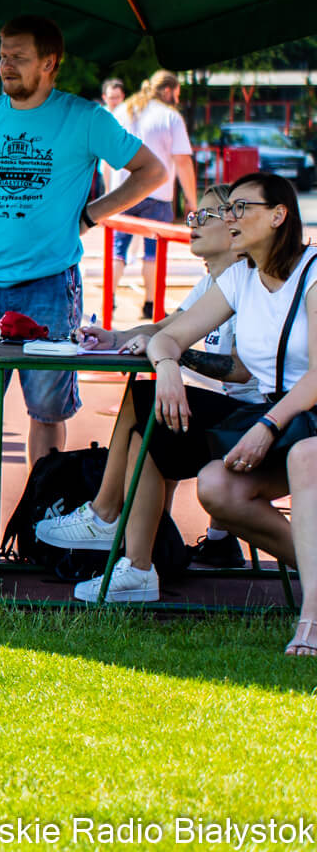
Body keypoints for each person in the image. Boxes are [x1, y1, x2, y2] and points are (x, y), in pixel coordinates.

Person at [0, 15, 166, 468]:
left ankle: (40, 516)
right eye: (2, 55)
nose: (5, 65)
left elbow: (154, 171)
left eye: (19, 57)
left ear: (50, 63)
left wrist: (91, 215)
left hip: (51, 286)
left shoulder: (85, 118)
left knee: (47, 411)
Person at [100, 175, 315, 646]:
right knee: (214, 484)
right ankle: (111, 527)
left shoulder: (313, 272)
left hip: (301, 418)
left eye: (241, 208)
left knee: (304, 457)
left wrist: (265, 425)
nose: (229, 218)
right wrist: (169, 365)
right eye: (228, 209)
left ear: (279, 216)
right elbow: (167, 336)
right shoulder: (239, 276)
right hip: (275, 416)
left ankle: (311, 620)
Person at [34, 184, 262, 600]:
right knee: (144, 424)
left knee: (144, 402)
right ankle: (138, 566)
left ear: (233, 226)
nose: (191, 224)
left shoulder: (246, 281)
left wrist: (174, 358)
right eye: (192, 216)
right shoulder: (213, 282)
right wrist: (114, 335)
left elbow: (233, 365)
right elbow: (163, 329)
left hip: (252, 420)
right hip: (222, 414)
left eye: (204, 217)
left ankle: (107, 520)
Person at [107, 69, 197, 321]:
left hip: (121, 191)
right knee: (153, 251)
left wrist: (107, 190)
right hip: (157, 192)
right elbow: (182, 162)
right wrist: (191, 200)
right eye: (176, 94)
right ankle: (150, 303)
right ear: (167, 91)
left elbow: (106, 158)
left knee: (117, 249)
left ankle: (110, 300)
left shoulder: (123, 110)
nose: (177, 100)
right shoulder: (170, 117)